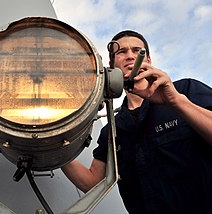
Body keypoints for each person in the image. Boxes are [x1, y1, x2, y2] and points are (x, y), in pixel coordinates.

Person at [61, 30, 212, 213]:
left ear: (148, 60)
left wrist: (176, 101)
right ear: (111, 65)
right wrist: (52, 147)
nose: (130, 56)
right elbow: (91, 182)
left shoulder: (185, 91)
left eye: (137, 50)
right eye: (122, 52)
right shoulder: (111, 131)